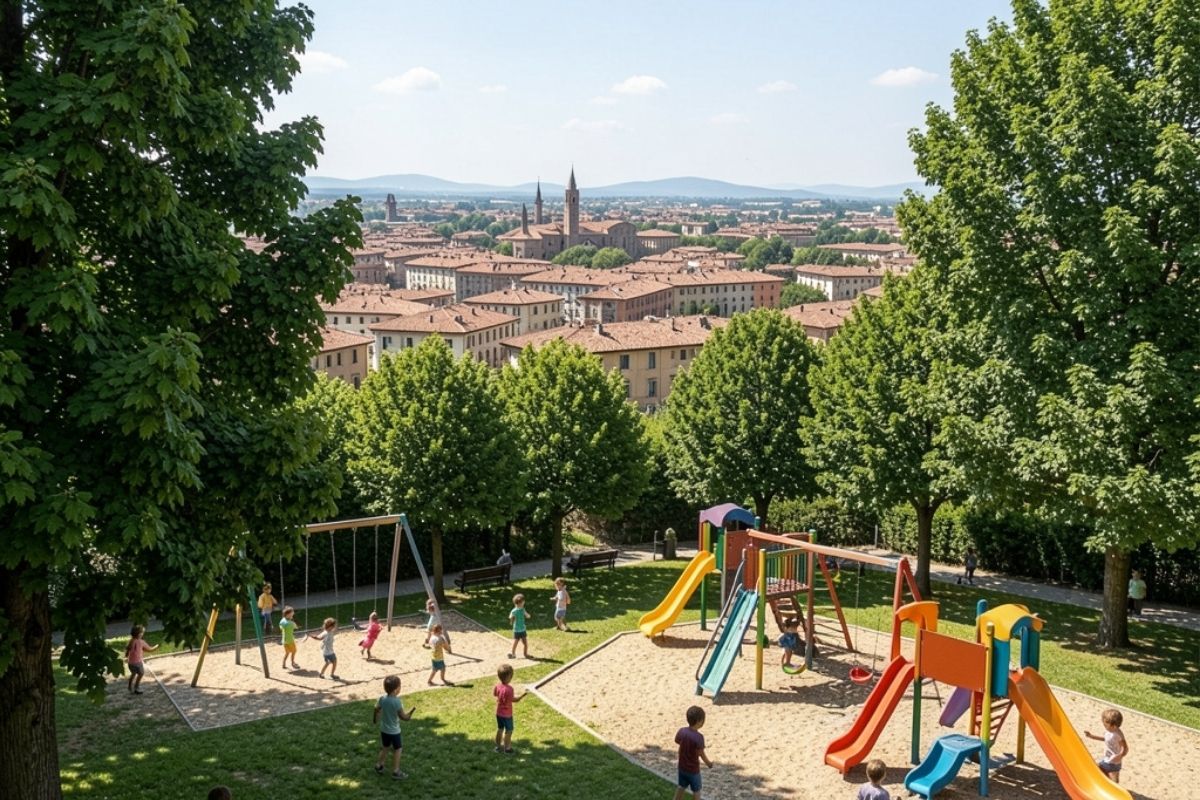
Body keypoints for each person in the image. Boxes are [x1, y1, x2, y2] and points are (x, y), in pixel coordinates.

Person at [374, 674, 414, 780]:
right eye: (400, 686)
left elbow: (376, 709)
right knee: (398, 749)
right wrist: (409, 716)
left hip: (384, 730)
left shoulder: (382, 698)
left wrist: (375, 719)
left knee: (385, 747)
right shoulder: (397, 702)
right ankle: (396, 771)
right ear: (396, 689)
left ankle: (379, 765)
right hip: (394, 731)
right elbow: (403, 717)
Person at [673, 705, 713, 800]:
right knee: (697, 791)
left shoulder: (682, 731)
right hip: (693, 770)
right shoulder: (699, 737)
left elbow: (677, 741)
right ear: (699, 721)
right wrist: (708, 763)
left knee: (681, 786)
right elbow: (701, 754)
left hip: (682, 767)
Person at [1086, 708, 1128, 783]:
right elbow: (1105, 739)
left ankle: (1114, 787)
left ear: (1114, 726)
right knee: (1101, 771)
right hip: (1107, 759)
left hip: (1113, 762)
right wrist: (1092, 736)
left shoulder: (1118, 734)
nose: (1104, 726)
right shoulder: (1110, 732)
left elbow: (1124, 747)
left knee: (1112, 779)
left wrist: (1120, 755)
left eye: (1105, 725)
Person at [493, 663, 527, 754]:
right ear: (508, 677)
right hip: (507, 715)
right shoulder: (509, 689)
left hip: (498, 713)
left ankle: (497, 747)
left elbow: (495, 694)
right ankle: (507, 748)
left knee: (500, 729)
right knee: (509, 731)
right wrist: (521, 696)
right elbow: (514, 700)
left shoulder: (497, 686)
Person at [125, 625, 159, 695]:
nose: (142, 634)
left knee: (134, 674)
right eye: (142, 632)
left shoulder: (132, 641)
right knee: (141, 673)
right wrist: (156, 647)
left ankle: (130, 687)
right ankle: (136, 687)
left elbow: (128, 649)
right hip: (137, 662)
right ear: (138, 633)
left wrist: (126, 655)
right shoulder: (140, 641)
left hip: (131, 662)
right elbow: (149, 649)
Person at [508, 593, 531, 659]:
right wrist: (528, 616)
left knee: (523, 643)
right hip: (518, 630)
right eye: (523, 601)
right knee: (517, 642)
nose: (524, 602)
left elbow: (526, 615)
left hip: (521, 629)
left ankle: (524, 654)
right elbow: (511, 617)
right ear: (520, 603)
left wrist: (528, 616)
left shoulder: (521, 609)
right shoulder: (515, 611)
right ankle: (514, 654)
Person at [279, 606, 299, 670]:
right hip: (290, 640)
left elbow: (280, 626)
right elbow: (296, 627)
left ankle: (283, 664)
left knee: (287, 653)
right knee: (294, 651)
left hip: (284, 641)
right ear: (287, 614)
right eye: (291, 614)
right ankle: (293, 663)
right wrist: (293, 623)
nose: (292, 615)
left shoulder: (282, 620)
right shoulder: (291, 623)